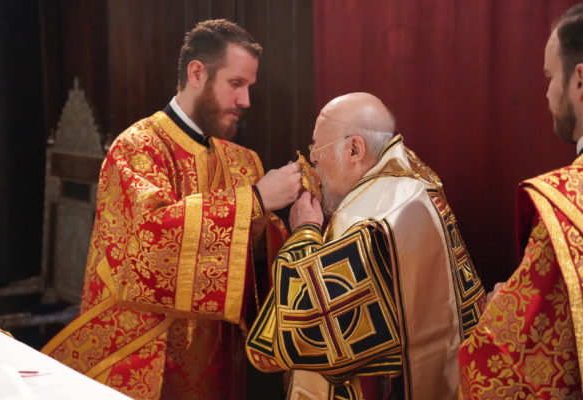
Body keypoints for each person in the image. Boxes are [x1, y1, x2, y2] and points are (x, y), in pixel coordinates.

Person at [42, 19, 302, 399]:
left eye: (249, 87)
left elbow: (256, 264)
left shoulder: (243, 161)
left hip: (220, 359)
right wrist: (255, 201)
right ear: (197, 73)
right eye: (235, 83)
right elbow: (148, 243)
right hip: (152, 357)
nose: (246, 100)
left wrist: (274, 233)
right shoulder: (136, 148)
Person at [246, 92, 486, 400]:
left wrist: (305, 231)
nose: (312, 159)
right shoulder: (419, 187)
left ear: (354, 149)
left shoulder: (362, 219)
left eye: (317, 147)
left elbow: (306, 332)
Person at [458, 4, 583, 398]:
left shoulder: (566, 204)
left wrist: (501, 309)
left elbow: (506, 373)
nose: (546, 92)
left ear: (580, 80)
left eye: (550, 77)